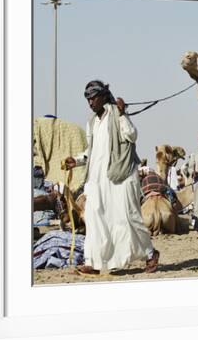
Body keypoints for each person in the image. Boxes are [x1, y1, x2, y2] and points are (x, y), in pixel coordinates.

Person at [64, 80, 159, 274]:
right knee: (94, 216)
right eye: (87, 99)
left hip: (122, 173)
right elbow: (92, 151)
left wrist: (123, 114)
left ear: (103, 96)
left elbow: (132, 136)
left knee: (129, 217)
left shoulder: (116, 114)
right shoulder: (92, 122)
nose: (90, 102)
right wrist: (76, 160)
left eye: (93, 98)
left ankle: (150, 254)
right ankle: (93, 261)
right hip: (98, 179)